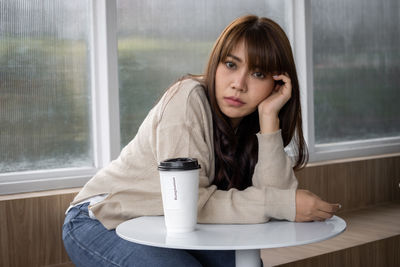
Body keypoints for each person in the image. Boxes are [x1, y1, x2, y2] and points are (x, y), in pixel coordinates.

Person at [62, 15, 341, 267]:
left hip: (164, 223)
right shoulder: (187, 99)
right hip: (100, 219)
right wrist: (283, 204)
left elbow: (276, 199)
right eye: (231, 65)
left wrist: (269, 118)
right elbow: (192, 205)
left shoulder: (252, 120)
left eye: (258, 74)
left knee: (246, 265)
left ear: (277, 83)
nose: (239, 84)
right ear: (216, 63)